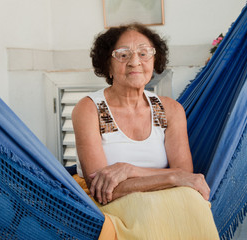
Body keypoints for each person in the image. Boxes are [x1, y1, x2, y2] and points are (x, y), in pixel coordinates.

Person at [72, 23, 219, 240]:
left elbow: (184, 174)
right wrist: (172, 177)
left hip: (161, 197)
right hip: (109, 203)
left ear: (154, 61)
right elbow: (102, 188)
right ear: (108, 66)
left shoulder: (170, 109)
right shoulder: (89, 108)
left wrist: (129, 170)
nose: (134, 61)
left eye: (144, 53)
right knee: (149, 212)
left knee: (194, 204)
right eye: (122, 55)